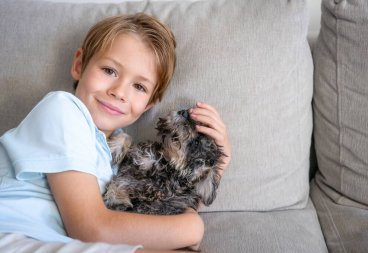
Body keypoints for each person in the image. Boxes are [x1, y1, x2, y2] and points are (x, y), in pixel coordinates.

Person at [0, 12, 231, 253]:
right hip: (13, 236)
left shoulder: (117, 157)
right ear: (79, 65)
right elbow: (91, 230)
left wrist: (216, 167)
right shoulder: (62, 109)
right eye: (110, 70)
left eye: (139, 87)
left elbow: (163, 212)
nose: (120, 92)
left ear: (149, 104)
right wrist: (193, 227)